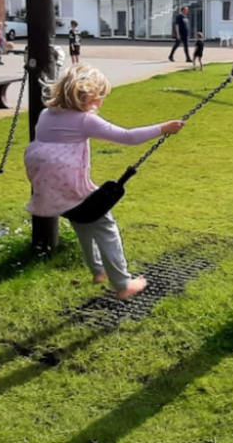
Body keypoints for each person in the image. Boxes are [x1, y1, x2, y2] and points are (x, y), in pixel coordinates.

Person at [23, 64, 185, 300]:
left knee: (82, 222)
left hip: (50, 189)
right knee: (106, 227)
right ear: (88, 96)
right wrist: (163, 128)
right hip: (72, 187)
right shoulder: (84, 120)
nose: (101, 102)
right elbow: (127, 137)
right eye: (101, 97)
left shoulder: (46, 114)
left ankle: (98, 271)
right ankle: (123, 284)